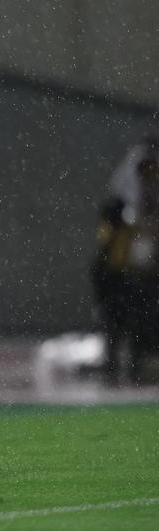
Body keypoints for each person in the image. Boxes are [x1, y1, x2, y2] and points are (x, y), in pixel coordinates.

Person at [92, 150, 159, 386]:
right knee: (115, 325)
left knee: (144, 325)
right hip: (118, 278)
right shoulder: (117, 209)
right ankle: (113, 370)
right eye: (145, 174)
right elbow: (106, 246)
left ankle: (138, 368)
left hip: (146, 279)